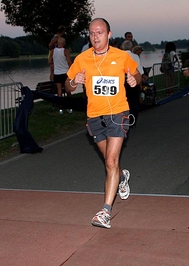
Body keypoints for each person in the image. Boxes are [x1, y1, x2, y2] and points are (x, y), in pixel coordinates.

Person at [65, 18, 141, 229]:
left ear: (109, 34)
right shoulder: (82, 59)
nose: (95, 36)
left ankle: (105, 211)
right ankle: (123, 175)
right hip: (94, 117)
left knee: (110, 162)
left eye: (100, 32)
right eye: (91, 33)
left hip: (118, 113)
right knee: (111, 162)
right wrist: (73, 82)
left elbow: (137, 74)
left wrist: (135, 80)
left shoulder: (121, 56)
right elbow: (68, 85)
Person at [48, 37, 73, 114]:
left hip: (57, 73)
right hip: (65, 73)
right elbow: (69, 62)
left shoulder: (53, 51)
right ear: (63, 43)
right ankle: (69, 107)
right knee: (68, 90)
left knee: (59, 91)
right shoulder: (65, 51)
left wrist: (54, 65)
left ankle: (60, 108)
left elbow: (49, 61)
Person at [121, 40, 143, 127]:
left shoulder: (120, 56)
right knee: (133, 101)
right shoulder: (135, 57)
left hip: (123, 82)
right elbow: (140, 71)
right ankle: (133, 120)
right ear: (131, 47)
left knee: (124, 101)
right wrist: (140, 83)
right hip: (134, 80)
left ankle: (123, 119)